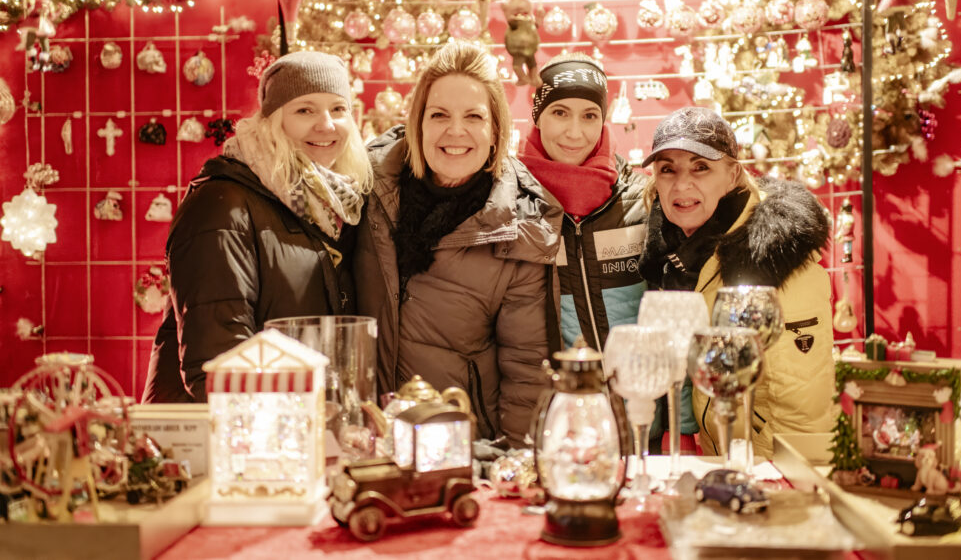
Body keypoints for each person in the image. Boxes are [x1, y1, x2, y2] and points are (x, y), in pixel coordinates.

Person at [354, 40, 561, 449]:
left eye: (473, 116)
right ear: (418, 123)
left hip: (458, 447)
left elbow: (525, 371)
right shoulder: (364, 187)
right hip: (364, 442)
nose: (455, 131)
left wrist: (517, 464)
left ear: (495, 130)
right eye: (439, 115)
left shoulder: (521, 226)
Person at [143, 51, 372, 403]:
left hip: (288, 423)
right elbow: (219, 366)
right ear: (272, 120)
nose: (326, 124)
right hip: (216, 435)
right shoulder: (223, 206)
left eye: (338, 109)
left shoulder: (331, 204)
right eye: (305, 110)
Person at [638, 106, 834, 458]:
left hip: (769, 466)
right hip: (721, 459)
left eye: (701, 167)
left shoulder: (779, 259)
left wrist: (781, 483)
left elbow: (801, 403)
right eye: (668, 169)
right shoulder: (668, 247)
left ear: (732, 175)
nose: (682, 184)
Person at [518, 53, 647, 355]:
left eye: (589, 115)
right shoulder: (512, 205)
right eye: (560, 112)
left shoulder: (643, 201)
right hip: (558, 397)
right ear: (538, 117)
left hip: (638, 398)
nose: (574, 133)